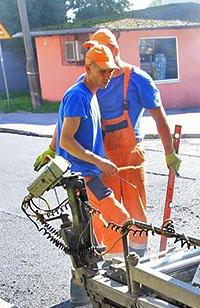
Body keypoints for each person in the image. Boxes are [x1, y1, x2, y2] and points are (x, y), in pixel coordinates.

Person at [35, 28, 181, 255]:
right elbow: (66, 123)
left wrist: (169, 152)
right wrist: (53, 148)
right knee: (107, 216)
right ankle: (114, 261)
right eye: (93, 53)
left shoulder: (137, 79)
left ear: (114, 50)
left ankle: (139, 257)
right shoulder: (85, 87)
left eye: (99, 51)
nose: (106, 74)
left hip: (129, 156)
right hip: (98, 159)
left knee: (135, 211)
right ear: (90, 67)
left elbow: (160, 118)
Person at [43, 43, 132, 256]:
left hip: (87, 174)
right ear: (88, 68)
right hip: (80, 176)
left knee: (94, 227)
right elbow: (66, 140)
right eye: (102, 70)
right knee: (120, 219)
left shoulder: (91, 94)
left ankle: (93, 269)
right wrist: (98, 161)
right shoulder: (78, 96)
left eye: (110, 70)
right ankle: (115, 266)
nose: (107, 75)